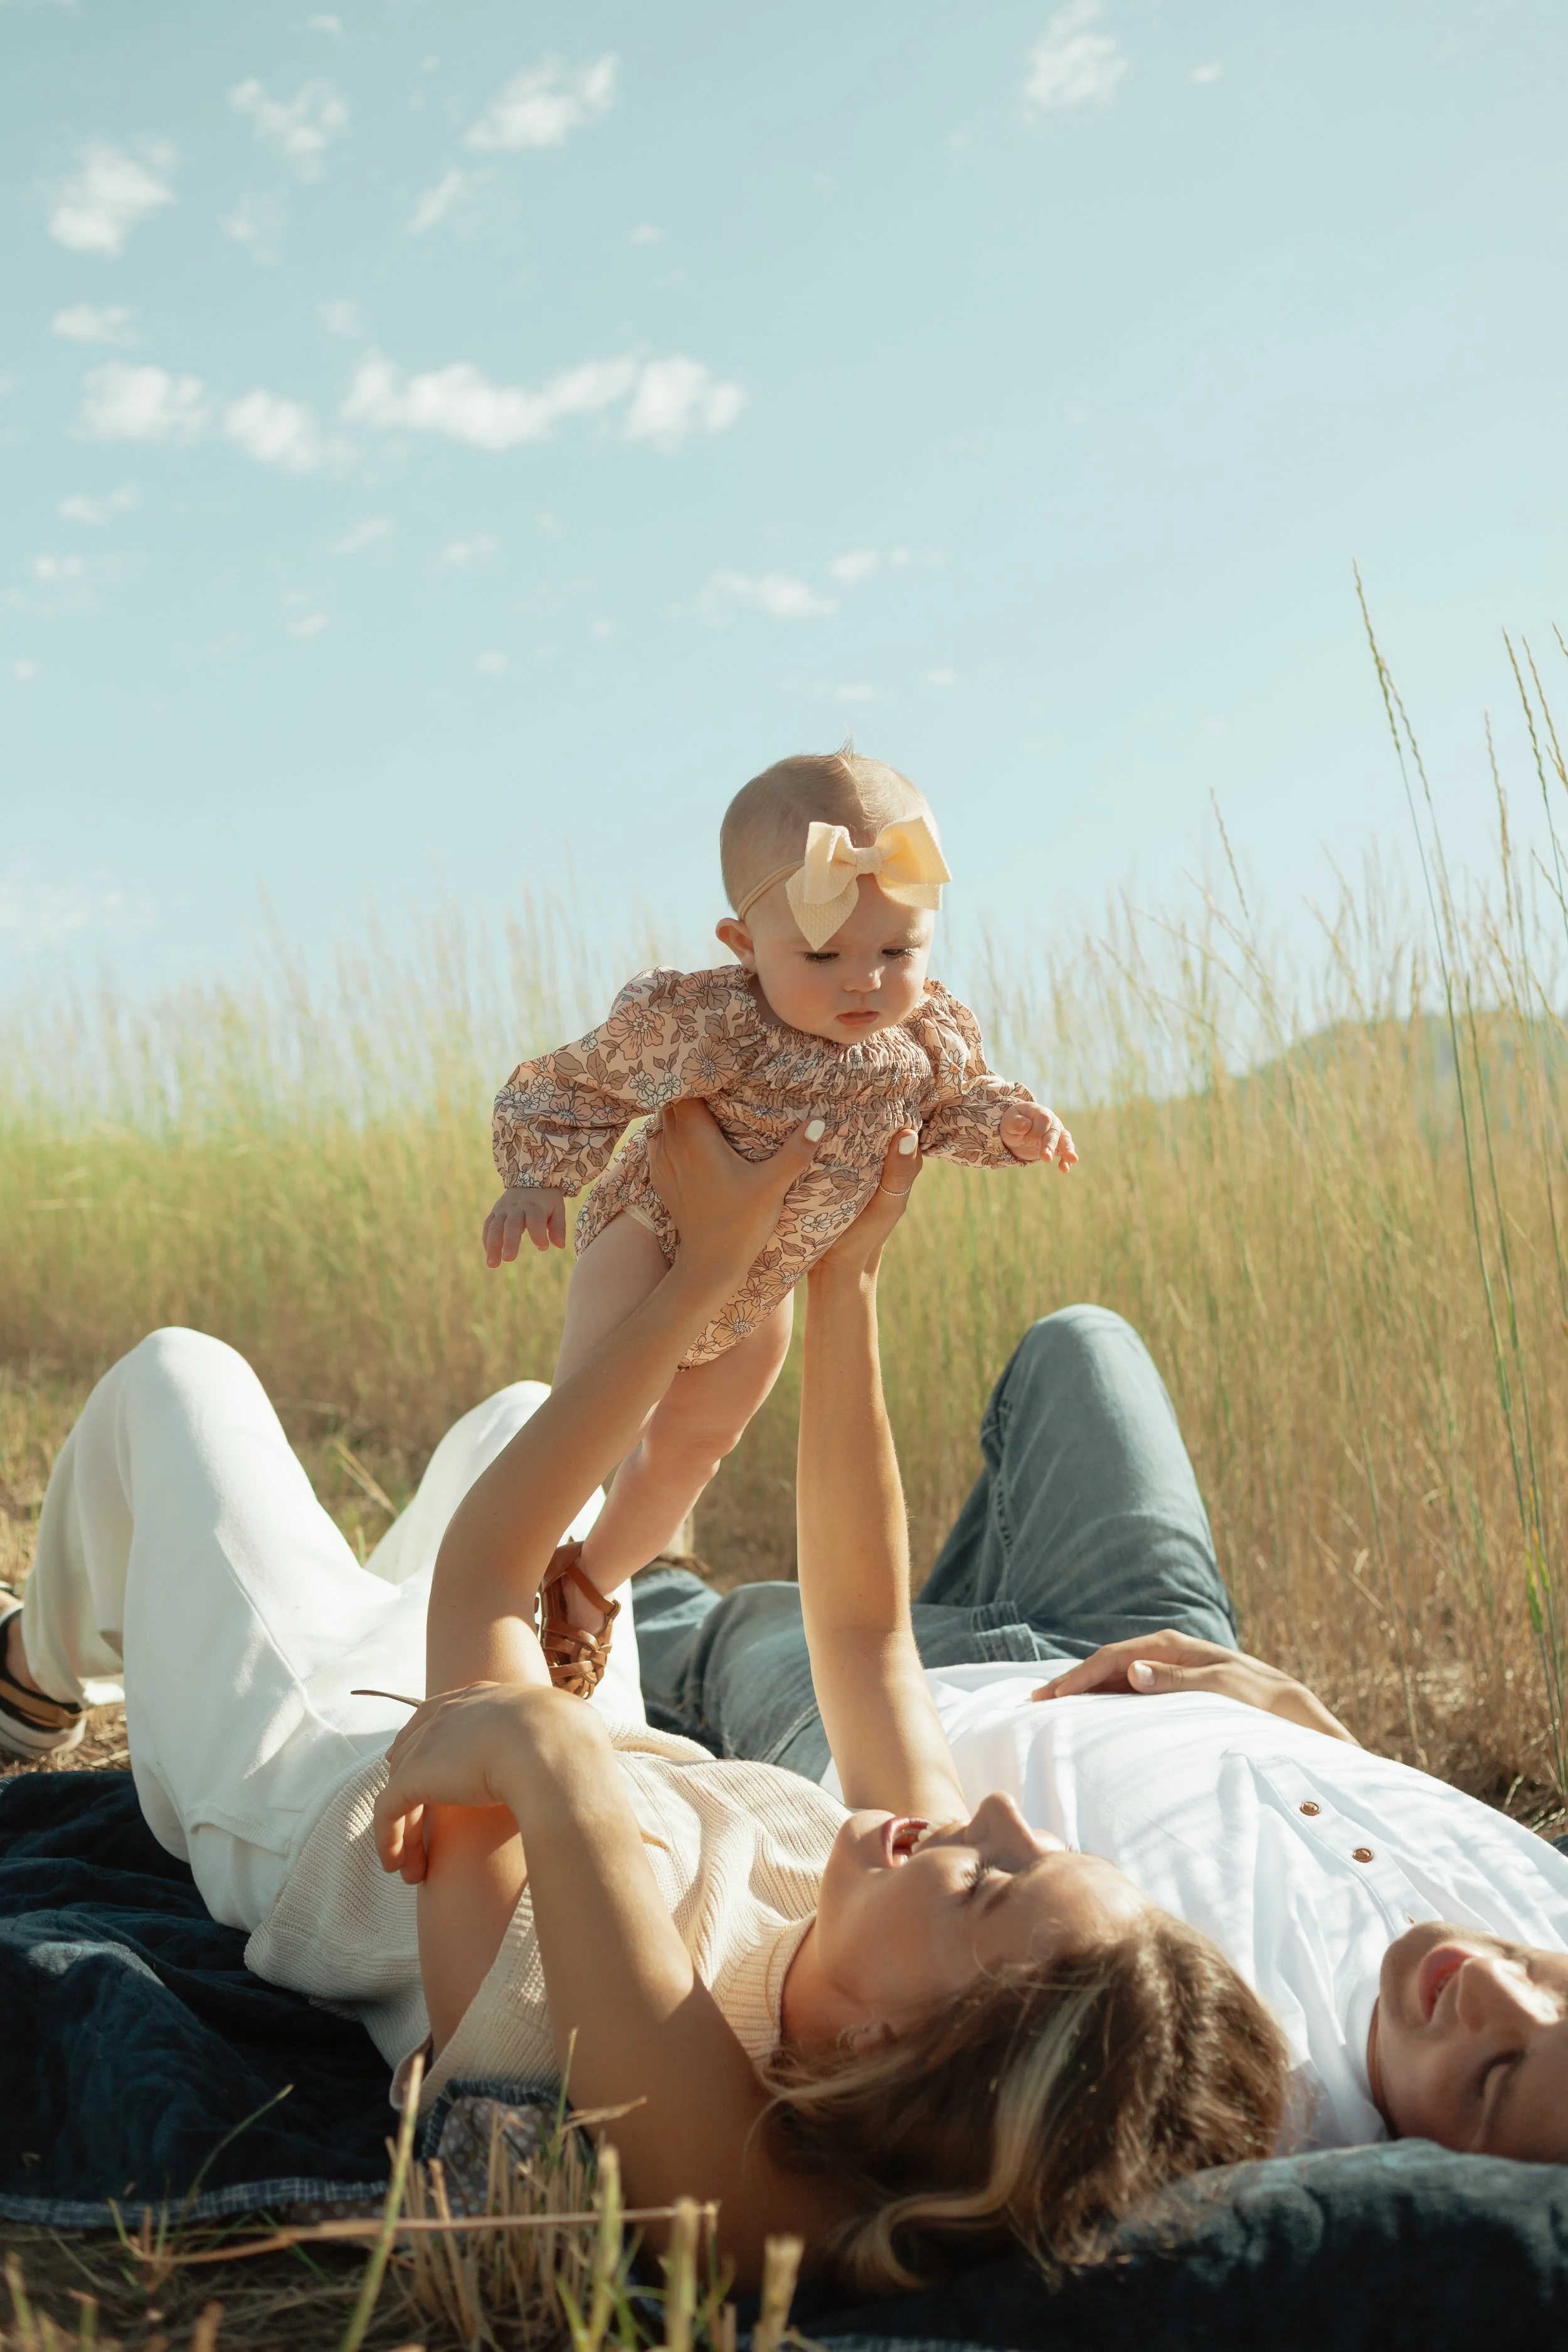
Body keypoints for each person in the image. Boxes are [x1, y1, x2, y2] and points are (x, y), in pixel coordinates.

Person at [0, 1109, 1277, 2294]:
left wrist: (704, 1277)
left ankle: (32, 1680)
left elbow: (488, 1588)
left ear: (894, 2042)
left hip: (311, 1784)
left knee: (177, 1384)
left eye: (995, 1883)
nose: (990, 1819)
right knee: (516, 1418)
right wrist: (842, 1274)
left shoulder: (585, 2046)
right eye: (1034, 1846)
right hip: (533, 1713)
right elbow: (861, 1631)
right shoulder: (874, 1909)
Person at [632, 1296, 1568, 2166]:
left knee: (705, 1614)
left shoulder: (1253, 2107)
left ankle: (639, 1545)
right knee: (1081, 1348)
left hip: (891, 1722)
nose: (1492, 1986)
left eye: (1497, 2073)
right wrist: (1323, 1733)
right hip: (1154, 1655)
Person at [480, 750, 1076, 1696]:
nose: (865, 982)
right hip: (653, 1232)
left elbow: (952, 1107)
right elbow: (589, 1079)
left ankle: (589, 1586)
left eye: (897, 952)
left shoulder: (922, 1044)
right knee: (595, 1419)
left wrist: (1010, 1123)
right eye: (823, 955)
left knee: (692, 1452)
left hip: (763, 1284)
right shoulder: (715, 1023)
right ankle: (496, 1592)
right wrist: (538, 1178)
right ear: (743, 942)